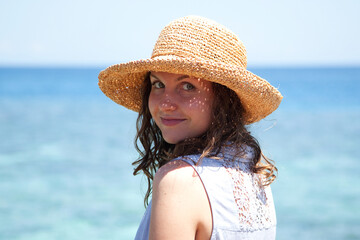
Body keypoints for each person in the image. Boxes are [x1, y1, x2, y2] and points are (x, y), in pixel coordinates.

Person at [98, 15, 282, 240]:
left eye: (187, 86)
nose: (165, 103)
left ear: (224, 99)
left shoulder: (178, 180)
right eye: (158, 84)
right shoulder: (254, 169)